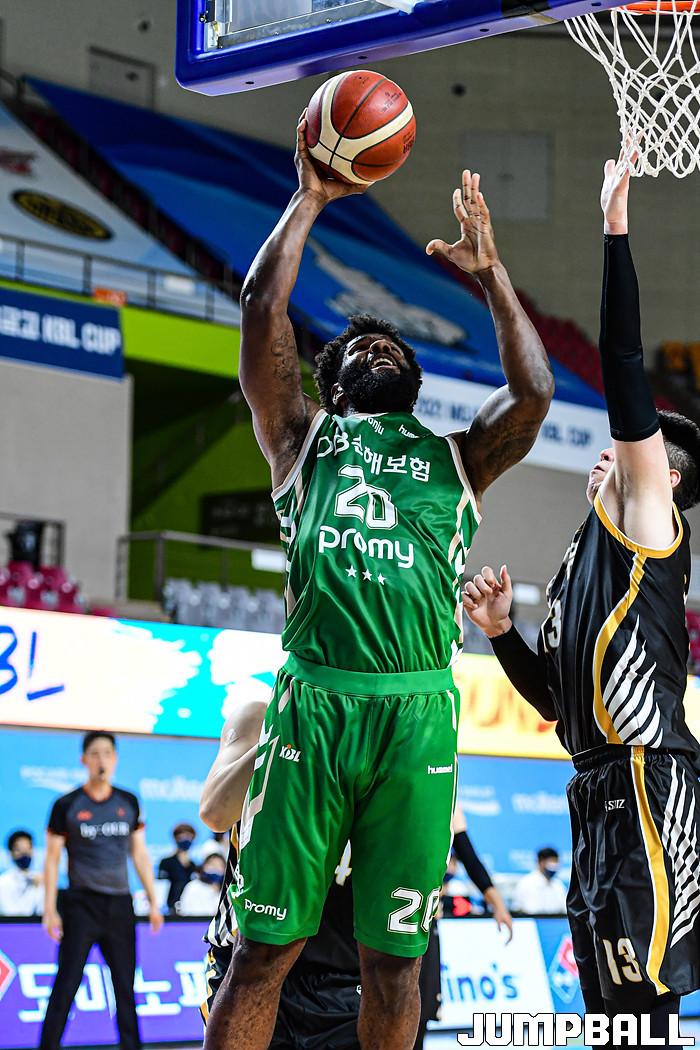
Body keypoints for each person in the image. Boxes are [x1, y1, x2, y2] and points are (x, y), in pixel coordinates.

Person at [208, 110, 553, 1050]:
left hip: (416, 714)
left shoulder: (458, 459)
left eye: (393, 345)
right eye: (359, 346)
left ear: (414, 382)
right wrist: (311, 198)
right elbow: (261, 307)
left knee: (396, 964)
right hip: (316, 705)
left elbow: (533, 394)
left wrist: (492, 277)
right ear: (333, 384)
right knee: (262, 953)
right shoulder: (301, 439)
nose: (379, 344)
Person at [463, 152, 700, 1041]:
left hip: (647, 780)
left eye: (638, 447)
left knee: (644, 1013)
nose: (616, 447)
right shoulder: (581, 562)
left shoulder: (647, 519)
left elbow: (625, 363)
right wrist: (503, 636)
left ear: (665, 478)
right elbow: (559, 706)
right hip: (594, 782)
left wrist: (614, 227)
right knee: (605, 1013)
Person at [199, 699, 361, 1049]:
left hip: (342, 969)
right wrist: (286, 730)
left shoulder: (383, 731)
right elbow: (215, 812)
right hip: (248, 955)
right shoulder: (259, 715)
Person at [40, 731, 163, 1050]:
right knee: (66, 983)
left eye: (107, 753)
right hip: (80, 905)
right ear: (84, 760)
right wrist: (50, 909)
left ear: (115, 758)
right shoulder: (66, 804)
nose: (101, 760)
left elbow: (139, 853)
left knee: (125, 986)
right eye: (95, 754)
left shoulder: (128, 801)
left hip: (120, 905)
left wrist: (153, 900)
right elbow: (52, 859)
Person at [414, 804, 513, 1050]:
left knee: (421, 1008)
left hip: (425, 920)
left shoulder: (449, 801)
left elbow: (468, 856)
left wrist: (498, 904)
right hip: (391, 912)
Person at [512, 847, 567, 916]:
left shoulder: (558, 885)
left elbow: (565, 909)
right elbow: (529, 911)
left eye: (556, 862)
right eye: (551, 862)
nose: (554, 866)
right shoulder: (526, 883)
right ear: (540, 862)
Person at [0, 829, 43, 915]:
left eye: (28, 849)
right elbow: (9, 913)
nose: (25, 854)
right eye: (19, 850)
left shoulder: (40, 880)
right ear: (11, 853)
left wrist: (39, 889)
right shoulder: (3, 882)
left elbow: (42, 911)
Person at [158, 822, 197, 912]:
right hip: (170, 908)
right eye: (182, 836)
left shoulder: (193, 866)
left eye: (189, 836)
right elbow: (162, 887)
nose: (186, 839)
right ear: (176, 838)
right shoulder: (166, 862)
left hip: (189, 908)